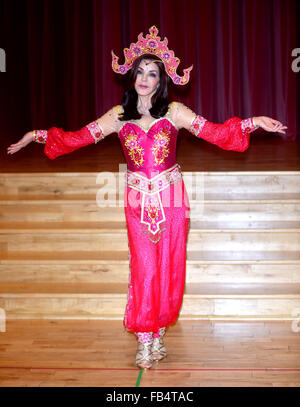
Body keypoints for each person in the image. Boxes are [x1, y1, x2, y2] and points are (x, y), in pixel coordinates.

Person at [7, 26, 287, 370]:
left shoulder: (175, 112)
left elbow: (216, 133)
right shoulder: (117, 116)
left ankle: (158, 333)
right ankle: (144, 337)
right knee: (145, 267)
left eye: (152, 74)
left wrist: (252, 122)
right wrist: (35, 135)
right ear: (132, 75)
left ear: (160, 81)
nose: (144, 78)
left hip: (172, 198)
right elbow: (76, 138)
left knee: (169, 266)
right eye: (140, 71)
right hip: (138, 200)